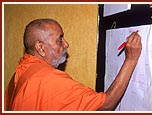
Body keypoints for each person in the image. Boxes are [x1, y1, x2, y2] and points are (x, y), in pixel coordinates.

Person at [4, 18, 142, 111]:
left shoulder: (22, 70)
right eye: (60, 40)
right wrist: (130, 60)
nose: (66, 44)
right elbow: (106, 104)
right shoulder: (48, 79)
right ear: (41, 48)